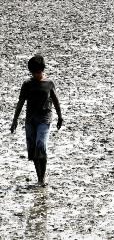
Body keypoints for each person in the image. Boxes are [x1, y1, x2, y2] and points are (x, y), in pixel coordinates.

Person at [10, 55, 63, 187]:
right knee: (33, 150)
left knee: (41, 145)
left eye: (38, 72)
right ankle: (39, 177)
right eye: (34, 72)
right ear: (31, 72)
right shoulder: (27, 84)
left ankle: (42, 178)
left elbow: (56, 101)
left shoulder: (49, 84)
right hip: (30, 121)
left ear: (42, 70)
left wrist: (60, 116)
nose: (37, 74)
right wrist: (15, 120)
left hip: (44, 120)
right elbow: (21, 102)